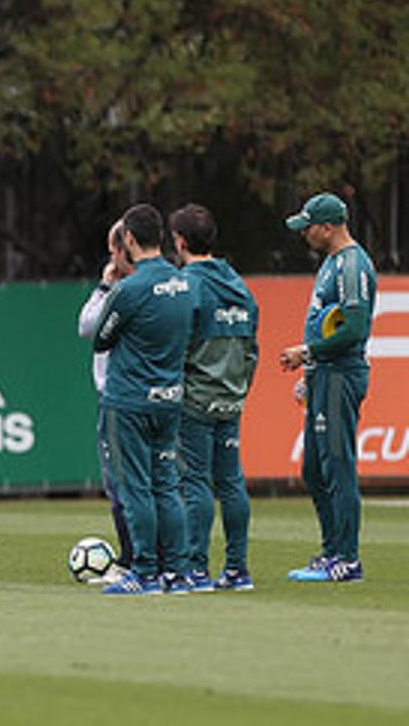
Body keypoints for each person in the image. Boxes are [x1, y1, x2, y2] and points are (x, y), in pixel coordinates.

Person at [91, 204, 196, 596]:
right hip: (169, 396)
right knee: (167, 485)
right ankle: (178, 571)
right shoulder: (185, 283)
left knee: (135, 486)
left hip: (129, 399)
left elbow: (102, 336)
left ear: (130, 240)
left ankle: (146, 572)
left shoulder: (129, 288)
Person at [278, 192, 376, 583]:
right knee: (315, 469)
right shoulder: (332, 263)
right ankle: (331, 550)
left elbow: (354, 327)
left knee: (337, 466)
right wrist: (310, 372)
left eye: (309, 227)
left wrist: (307, 352)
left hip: (340, 375)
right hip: (324, 374)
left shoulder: (352, 265)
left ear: (328, 227)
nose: (305, 234)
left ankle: (347, 559)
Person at [170, 204, 259, 591]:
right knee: (231, 483)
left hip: (195, 399)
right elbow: (251, 346)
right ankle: (238, 569)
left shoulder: (186, 284)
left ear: (180, 241)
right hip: (232, 397)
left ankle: (195, 568)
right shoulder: (238, 283)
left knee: (195, 484)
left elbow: (177, 342)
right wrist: (239, 387)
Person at [78, 220, 136, 579]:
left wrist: (104, 285)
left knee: (122, 485)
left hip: (122, 396)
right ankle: (172, 561)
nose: (110, 257)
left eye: (113, 249)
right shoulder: (169, 283)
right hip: (155, 395)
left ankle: (134, 561)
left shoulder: (125, 289)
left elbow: (88, 327)